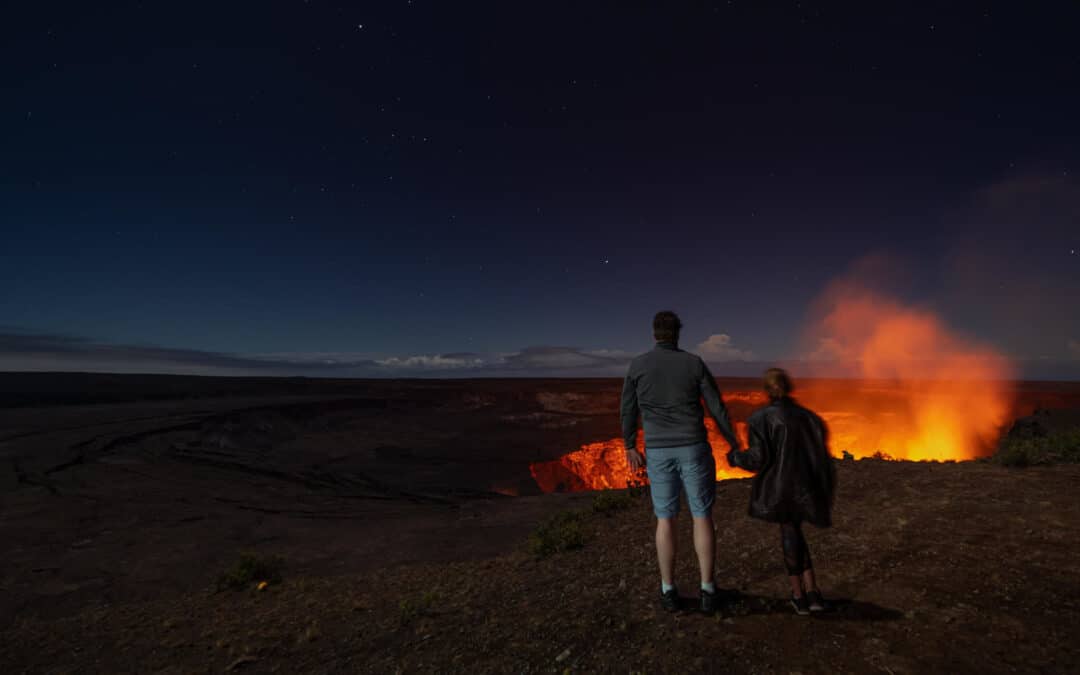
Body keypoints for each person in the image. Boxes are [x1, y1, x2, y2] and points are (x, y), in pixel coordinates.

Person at [620, 310, 740, 613]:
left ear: (654, 334)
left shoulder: (638, 366)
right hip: (693, 448)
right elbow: (715, 405)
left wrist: (630, 445)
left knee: (665, 518)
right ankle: (708, 590)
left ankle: (668, 590)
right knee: (701, 515)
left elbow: (628, 409)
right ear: (677, 334)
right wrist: (733, 441)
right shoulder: (693, 363)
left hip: (658, 450)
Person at [726, 368, 836, 615]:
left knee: (789, 533)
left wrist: (735, 457)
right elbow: (821, 458)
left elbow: (758, 459)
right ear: (789, 388)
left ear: (767, 390)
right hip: (807, 487)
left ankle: (799, 597)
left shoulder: (760, 419)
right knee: (796, 532)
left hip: (781, 488)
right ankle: (813, 593)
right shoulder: (810, 418)